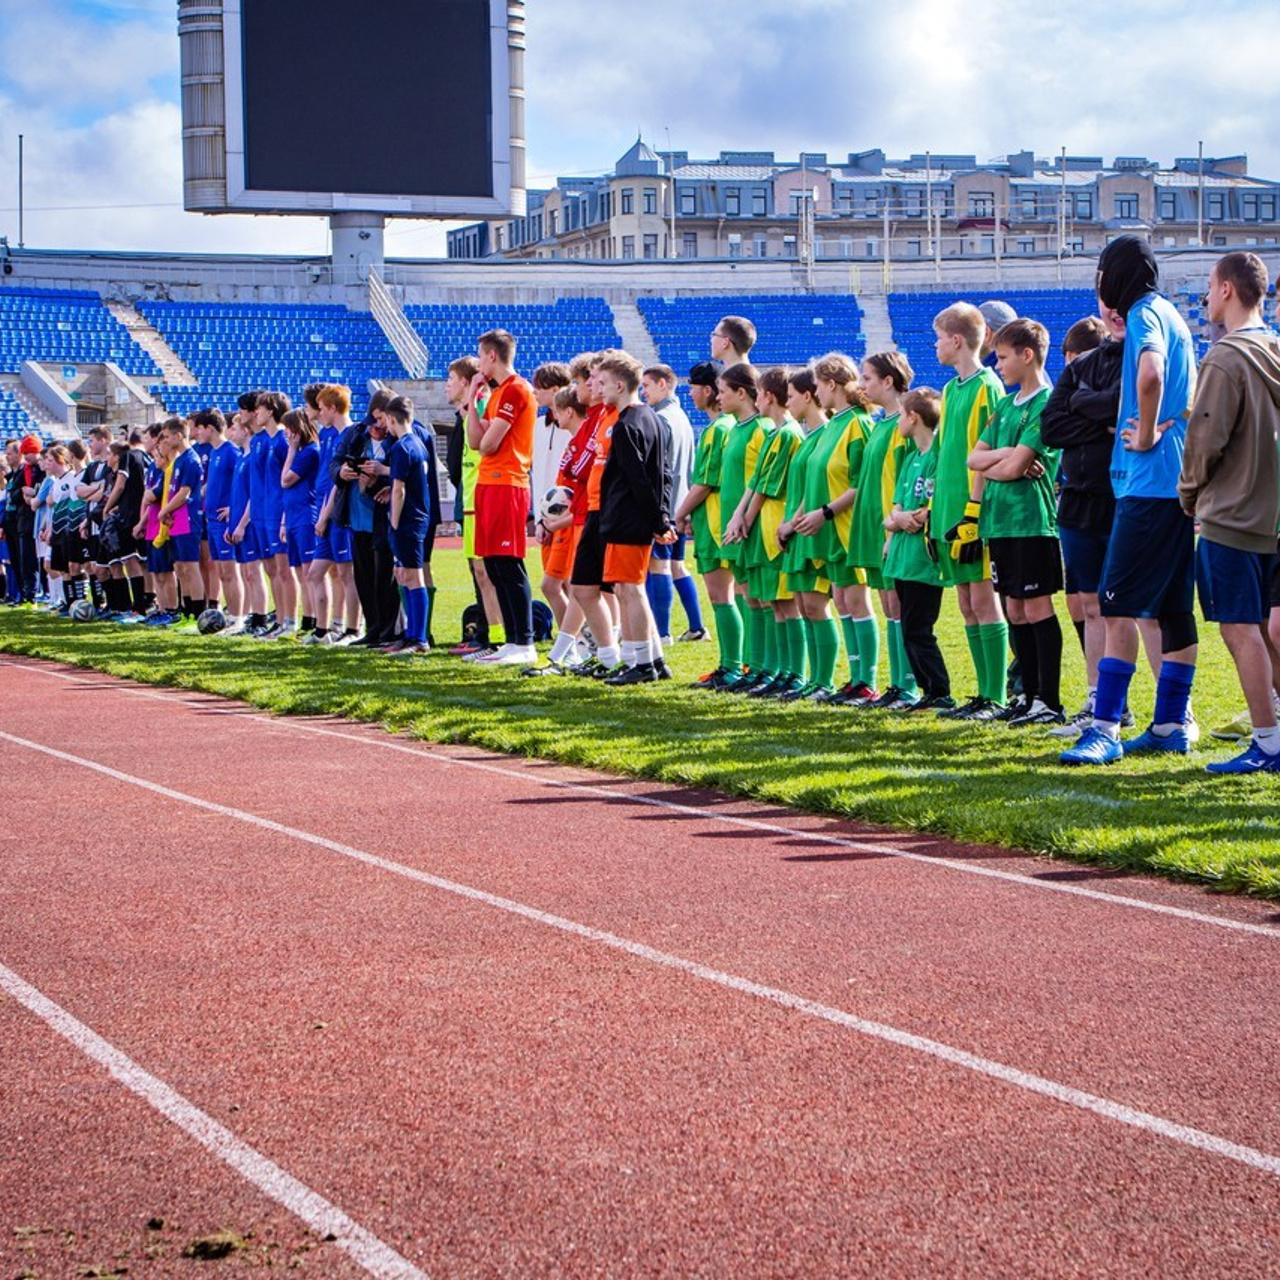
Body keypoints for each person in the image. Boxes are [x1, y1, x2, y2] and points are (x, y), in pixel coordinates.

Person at [1062, 235, 1199, 765]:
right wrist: (1169, 422)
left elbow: (1151, 373)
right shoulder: (1173, 314)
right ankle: (1169, 725)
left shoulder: (1144, 313)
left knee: (1115, 605)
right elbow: (1186, 391)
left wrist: (1143, 435)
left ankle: (1104, 729)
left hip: (1146, 484)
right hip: (1175, 485)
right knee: (1171, 610)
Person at [1178, 252, 1280, 774]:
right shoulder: (1276, 349)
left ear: (1225, 290)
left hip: (1233, 516)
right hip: (1273, 513)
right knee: (1268, 628)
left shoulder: (1224, 357)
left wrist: (1190, 494)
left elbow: (1205, 441)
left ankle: (1267, 742)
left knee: (1241, 631)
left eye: (1209, 290)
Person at [968, 319, 1065, 726]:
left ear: (1028, 355)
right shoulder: (1005, 407)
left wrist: (1005, 462)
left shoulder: (1047, 403)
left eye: (1004, 357)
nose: (999, 364)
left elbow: (1016, 468)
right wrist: (1005, 455)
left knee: (1036, 607)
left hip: (1031, 522)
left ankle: (1049, 700)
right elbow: (975, 458)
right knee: (1015, 610)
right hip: (1000, 523)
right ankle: (1026, 694)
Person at [778, 353, 875, 703]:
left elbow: (862, 482)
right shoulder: (836, 425)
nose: (815, 391)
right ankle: (853, 678)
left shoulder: (858, 424)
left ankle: (867, 679)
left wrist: (826, 513)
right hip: (827, 529)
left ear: (831, 384)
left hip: (846, 527)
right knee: (845, 601)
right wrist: (806, 516)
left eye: (818, 384)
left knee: (856, 600)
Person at [929, 302, 1009, 718]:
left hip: (972, 514)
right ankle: (980, 694)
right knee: (965, 602)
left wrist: (974, 510)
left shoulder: (987, 387)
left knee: (983, 599)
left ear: (957, 340)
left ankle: (994, 695)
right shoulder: (949, 389)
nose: (936, 345)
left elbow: (988, 453)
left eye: (939, 337)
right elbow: (944, 454)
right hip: (948, 512)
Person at [723, 367, 804, 698]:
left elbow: (768, 488)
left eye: (758, 391)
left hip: (772, 527)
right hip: (759, 526)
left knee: (783, 604)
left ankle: (790, 672)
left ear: (768, 396)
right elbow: (756, 482)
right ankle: (770, 669)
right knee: (767, 601)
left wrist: (744, 516)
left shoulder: (788, 434)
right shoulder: (775, 434)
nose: (755, 396)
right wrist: (740, 515)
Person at [595, 350, 674, 684]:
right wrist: (662, 516)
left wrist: (658, 521)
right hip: (638, 517)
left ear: (619, 384)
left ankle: (642, 663)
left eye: (603, 383)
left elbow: (639, 479)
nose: (599, 389)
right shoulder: (654, 419)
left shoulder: (627, 425)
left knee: (630, 589)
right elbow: (664, 475)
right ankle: (652, 658)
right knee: (628, 588)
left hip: (629, 519)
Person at [466, 329, 538, 665]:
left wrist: (483, 429)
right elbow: (475, 441)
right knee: (494, 563)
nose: (479, 362)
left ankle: (524, 642)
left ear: (492, 355)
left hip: (508, 482)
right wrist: (472, 395)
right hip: (490, 483)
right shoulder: (494, 394)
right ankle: (511, 641)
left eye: (481, 355)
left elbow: (490, 443)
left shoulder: (516, 390)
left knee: (509, 564)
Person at [850, 352, 916, 707]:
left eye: (868, 378)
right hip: (877, 526)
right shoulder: (881, 424)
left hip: (897, 528)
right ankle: (897, 684)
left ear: (888, 381)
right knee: (889, 605)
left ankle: (907, 685)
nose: (861, 385)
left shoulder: (906, 423)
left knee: (899, 605)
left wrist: (895, 525)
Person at [884, 388, 952, 711]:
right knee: (909, 627)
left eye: (901, 414)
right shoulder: (910, 458)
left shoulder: (939, 456)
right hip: (901, 557)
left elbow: (926, 512)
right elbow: (895, 513)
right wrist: (899, 517)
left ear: (913, 417)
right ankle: (928, 691)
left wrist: (904, 518)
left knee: (918, 627)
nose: (898, 420)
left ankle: (939, 690)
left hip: (923, 559)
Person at [674, 362, 738, 687]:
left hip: (717, 522)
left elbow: (705, 483)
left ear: (708, 390)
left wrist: (679, 513)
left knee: (722, 595)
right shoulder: (724, 426)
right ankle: (733, 663)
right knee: (729, 595)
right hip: (716, 520)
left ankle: (733, 664)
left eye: (693, 387)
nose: (690, 393)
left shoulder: (719, 429)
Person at [713, 362, 773, 689]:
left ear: (741, 393)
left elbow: (759, 482)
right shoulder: (736, 428)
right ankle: (753, 667)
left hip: (752, 526)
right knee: (749, 597)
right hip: (735, 526)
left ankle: (762, 667)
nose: (718, 397)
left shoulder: (760, 429)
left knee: (761, 599)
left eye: (723, 391)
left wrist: (744, 517)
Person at [329, 390, 400, 647]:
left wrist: (380, 478)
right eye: (373, 423)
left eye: (380, 423)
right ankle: (373, 627)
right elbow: (334, 462)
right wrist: (344, 471)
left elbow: (406, 474)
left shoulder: (399, 438)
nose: (376, 429)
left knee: (385, 577)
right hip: (356, 516)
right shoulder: (356, 433)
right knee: (364, 576)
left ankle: (389, 630)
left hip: (383, 517)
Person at [641, 364, 703, 643]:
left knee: (658, 565)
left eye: (647, 386)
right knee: (677, 565)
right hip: (682, 503)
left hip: (664, 507)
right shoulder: (682, 418)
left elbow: (658, 468)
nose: (644, 393)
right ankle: (697, 626)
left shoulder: (661, 419)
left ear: (663, 384)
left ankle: (662, 632)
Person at [382, 394, 434, 656]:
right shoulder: (418, 443)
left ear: (392, 419)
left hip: (408, 521)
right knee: (404, 574)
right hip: (416, 517)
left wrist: (394, 519)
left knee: (413, 576)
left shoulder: (402, 447)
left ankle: (418, 638)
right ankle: (410, 635)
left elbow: (399, 490)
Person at [311, 383, 361, 645]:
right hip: (325, 511)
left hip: (340, 514)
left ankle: (353, 629)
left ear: (332, 408)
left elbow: (338, 484)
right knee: (315, 572)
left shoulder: (351, 435)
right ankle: (323, 630)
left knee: (346, 573)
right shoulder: (330, 434)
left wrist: (324, 515)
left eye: (322, 409)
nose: (319, 414)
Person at [158, 417, 208, 624]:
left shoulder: (191, 460)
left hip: (188, 518)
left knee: (191, 566)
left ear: (179, 435)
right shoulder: (179, 460)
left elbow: (185, 492)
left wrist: (164, 511)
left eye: (169, 436)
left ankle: (198, 613)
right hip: (177, 519)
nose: (167, 441)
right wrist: (169, 513)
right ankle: (186, 611)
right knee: (182, 568)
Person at [196, 407, 241, 627]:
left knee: (230, 571)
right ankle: (229, 614)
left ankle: (237, 617)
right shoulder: (214, 453)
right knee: (221, 571)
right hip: (211, 518)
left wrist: (234, 508)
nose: (197, 433)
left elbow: (242, 483)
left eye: (200, 428)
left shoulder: (231, 452)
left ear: (210, 428)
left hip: (224, 520)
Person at [280, 407, 322, 640]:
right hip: (294, 516)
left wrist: (291, 451)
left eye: (289, 429)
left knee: (309, 572)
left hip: (306, 515)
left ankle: (314, 618)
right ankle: (308, 618)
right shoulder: (301, 452)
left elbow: (285, 480)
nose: (286, 433)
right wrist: (285, 522)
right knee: (299, 571)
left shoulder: (308, 453)